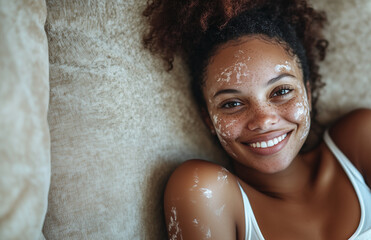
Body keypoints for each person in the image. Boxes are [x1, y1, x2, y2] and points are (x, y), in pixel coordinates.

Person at [143, 0, 371, 239]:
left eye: (281, 92)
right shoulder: (204, 190)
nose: (263, 120)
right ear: (209, 119)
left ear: (308, 94)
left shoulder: (358, 140)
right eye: (232, 104)